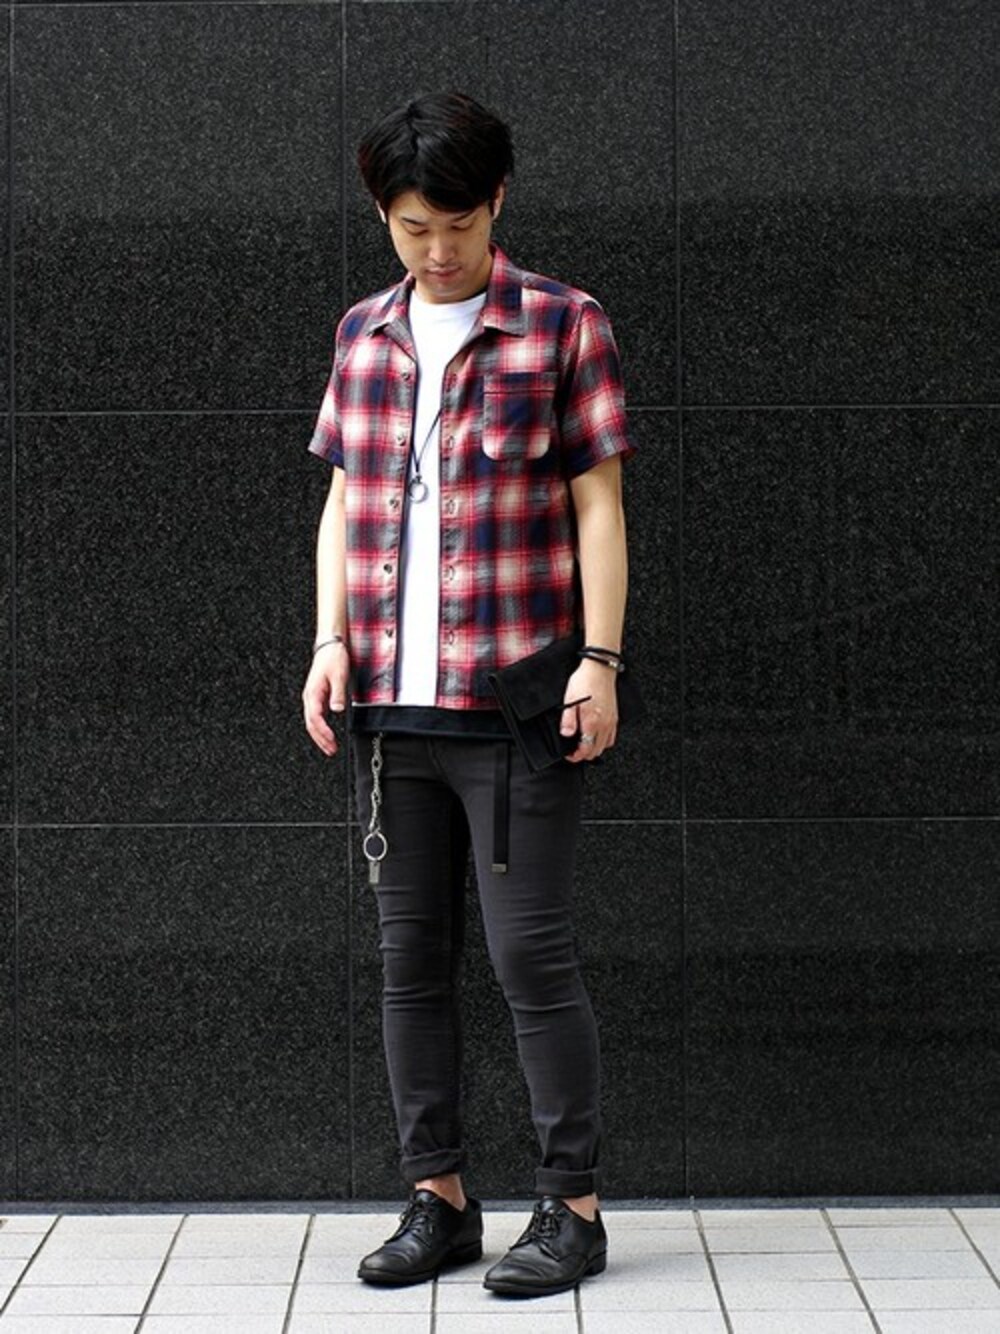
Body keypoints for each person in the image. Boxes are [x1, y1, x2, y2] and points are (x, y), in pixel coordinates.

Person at [301, 90, 635, 1299]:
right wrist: (329, 639)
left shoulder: (561, 322)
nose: (436, 250)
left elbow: (598, 504)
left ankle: (572, 1207)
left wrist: (600, 660)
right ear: (381, 216)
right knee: (410, 962)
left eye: (456, 224)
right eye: (411, 228)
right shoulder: (364, 332)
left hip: (516, 699)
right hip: (394, 707)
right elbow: (344, 498)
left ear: (497, 200)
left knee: (529, 956)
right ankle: (437, 1197)